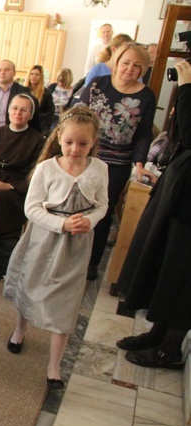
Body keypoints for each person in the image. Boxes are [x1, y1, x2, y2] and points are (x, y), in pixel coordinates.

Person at [4, 106, 108, 387]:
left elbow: (102, 205)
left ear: (94, 141)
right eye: (69, 142)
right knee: (31, 284)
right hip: (44, 239)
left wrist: (90, 221)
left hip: (77, 244)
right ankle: (20, 329)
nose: (75, 149)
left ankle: (54, 366)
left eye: (83, 144)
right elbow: (32, 208)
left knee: (67, 301)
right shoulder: (46, 168)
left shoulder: (100, 168)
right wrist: (61, 224)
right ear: (59, 138)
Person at [115, 60, 191, 370]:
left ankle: (170, 349)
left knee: (181, 273)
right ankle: (158, 334)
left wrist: (186, 89)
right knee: (165, 265)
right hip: (181, 187)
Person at [80, 43, 156, 281]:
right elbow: (77, 115)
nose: (129, 69)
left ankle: (92, 262)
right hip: (86, 155)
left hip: (118, 163)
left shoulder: (146, 95)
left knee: (102, 210)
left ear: (143, 69)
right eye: (126, 63)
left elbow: (144, 133)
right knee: (77, 203)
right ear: (116, 61)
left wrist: (140, 163)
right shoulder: (97, 84)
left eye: (136, 65)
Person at [0, 93, 46, 280]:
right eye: (15, 108)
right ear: (8, 110)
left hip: (15, 190)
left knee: (4, 201)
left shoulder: (37, 141)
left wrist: (9, 186)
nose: (18, 113)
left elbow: (35, 174)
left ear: (31, 115)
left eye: (24, 110)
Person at [0, 60, 38, 135]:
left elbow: (29, 119)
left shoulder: (23, 92)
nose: (2, 72)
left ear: (14, 73)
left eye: (7, 70)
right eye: (0, 70)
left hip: (12, 133)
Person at [25, 65, 55, 133]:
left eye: (37, 74)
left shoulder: (46, 93)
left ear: (41, 77)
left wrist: (35, 117)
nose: (34, 76)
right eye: (32, 74)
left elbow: (50, 113)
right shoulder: (23, 90)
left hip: (38, 126)